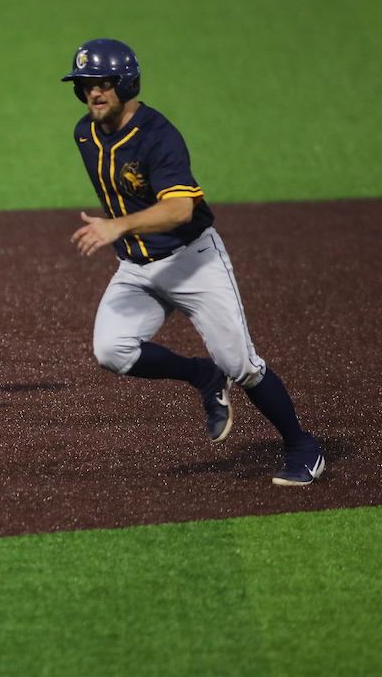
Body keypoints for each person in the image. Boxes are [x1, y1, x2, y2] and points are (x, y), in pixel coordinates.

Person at [62, 38, 325, 486]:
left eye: (104, 83)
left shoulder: (159, 136)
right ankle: (202, 375)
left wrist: (116, 226)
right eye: (86, 85)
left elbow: (181, 209)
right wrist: (122, 231)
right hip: (138, 268)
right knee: (111, 350)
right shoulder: (84, 132)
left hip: (192, 262)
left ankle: (303, 446)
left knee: (242, 365)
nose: (94, 94)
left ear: (127, 82)